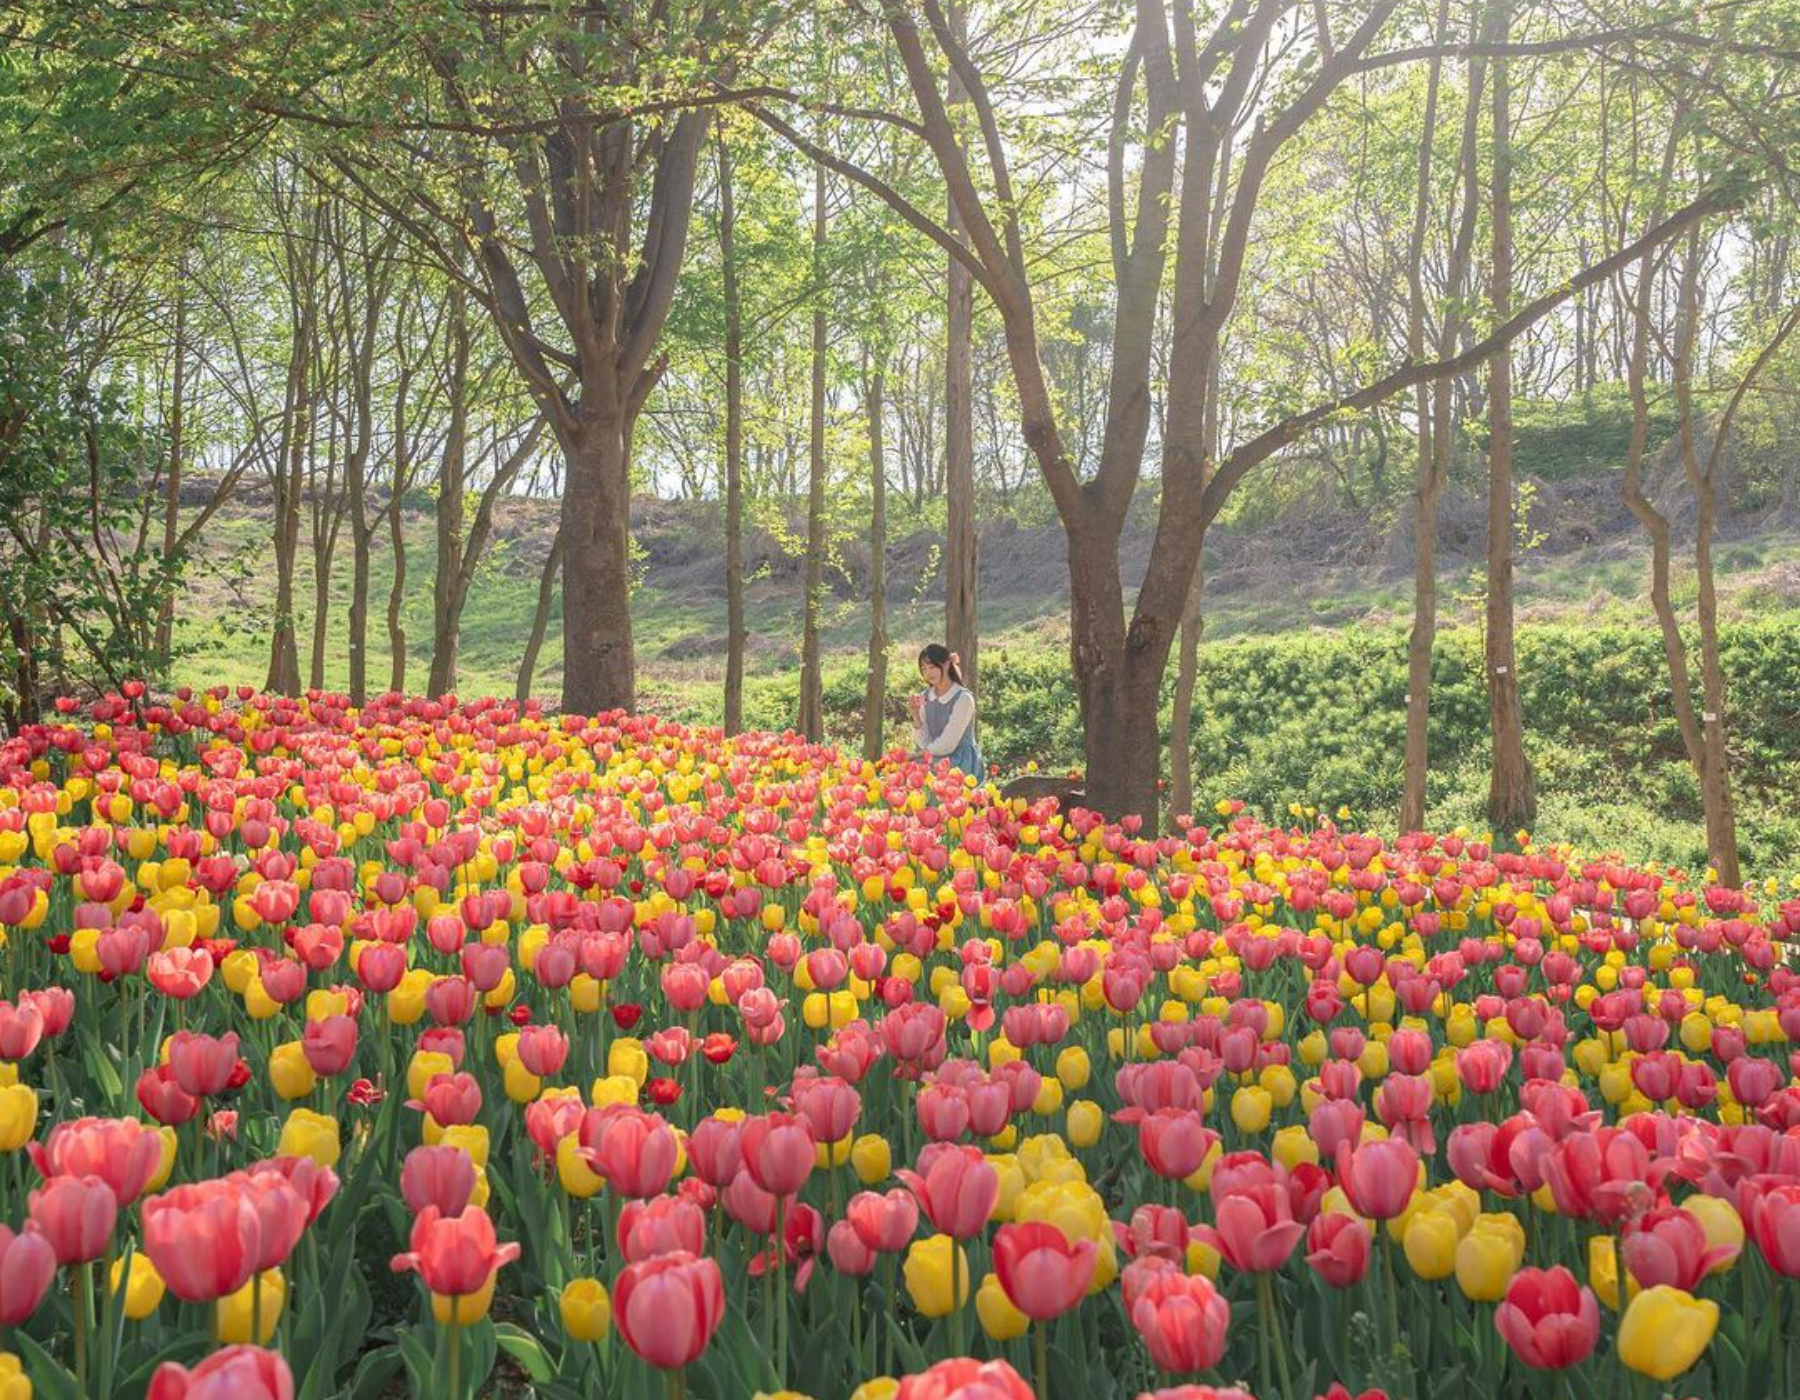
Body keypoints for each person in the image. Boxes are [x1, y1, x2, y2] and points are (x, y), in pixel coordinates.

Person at [909, 643, 983, 778]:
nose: (928, 673)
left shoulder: (963, 698)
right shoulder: (924, 696)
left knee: (921, 775)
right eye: (924, 669)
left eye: (932, 667)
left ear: (946, 665)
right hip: (932, 756)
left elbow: (948, 744)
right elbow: (923, 743)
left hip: (959, 760)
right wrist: (915, 716)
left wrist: (916, 755)